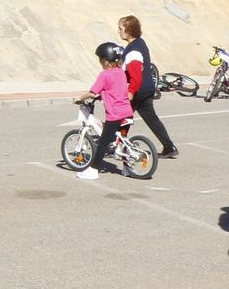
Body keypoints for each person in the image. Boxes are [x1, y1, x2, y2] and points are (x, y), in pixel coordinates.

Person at [73, 42, 134, 181]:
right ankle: (127, 168)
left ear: (105, 60)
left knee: (103, 143)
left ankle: (92, 170)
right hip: (127, 111)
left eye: (101, 59)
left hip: (115, 114)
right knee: (122, 140)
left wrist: (80, 98)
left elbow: (92, 92)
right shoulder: (121, 73)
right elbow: (115, 90)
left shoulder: (104, 75)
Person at [119, 15, 177, 159]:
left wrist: (131, 92)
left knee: (122, 116)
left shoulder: (133, 50)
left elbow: (136, 76)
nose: (118, 31)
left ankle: (117, 144)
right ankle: (169, 147)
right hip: (147, 88)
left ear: (128, 30)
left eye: (120, 29)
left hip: (137, 89)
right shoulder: (140, 42)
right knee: (151, 119)